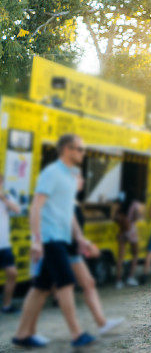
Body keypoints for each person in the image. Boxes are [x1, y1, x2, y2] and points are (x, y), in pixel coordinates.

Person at [12, 134, 96, 348]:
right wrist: (37, 240)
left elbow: (68, 212)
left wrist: (79, 237)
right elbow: (36, 207)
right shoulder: (51, 173)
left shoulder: (70, 176)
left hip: (62, 236)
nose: (82, 153)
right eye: (79, 149)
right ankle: (77, 334)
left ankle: (22, 334)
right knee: (66, 282)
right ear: (67, 149)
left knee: (41, 286)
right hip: (50, 238)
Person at [66, 184, 125, 337]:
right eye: (77, 177)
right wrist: (84, 242)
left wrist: (83, 243)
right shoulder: (64, 200)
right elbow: (68, 226)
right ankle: (78, 333)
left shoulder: (72, 201)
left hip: (71, 251)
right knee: (53, 290)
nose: (82, 180)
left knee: (88, 283)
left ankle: (101, 323)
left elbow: (75, 227)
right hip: (61, 249)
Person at [0, 173, 21, 313]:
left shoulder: (6, 198)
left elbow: (17, 210)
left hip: (4, 245)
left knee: (12, 273)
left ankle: (6, 306)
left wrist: (3, 198)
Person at [114, 198, 142, 288]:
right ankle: (130, 278)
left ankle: (118, 281)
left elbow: (115, 218)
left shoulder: (120, 207)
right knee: (135, 254)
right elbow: (137, 217)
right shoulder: (135, 203)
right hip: (131, 230)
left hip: (121, 231)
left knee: (120, 257)